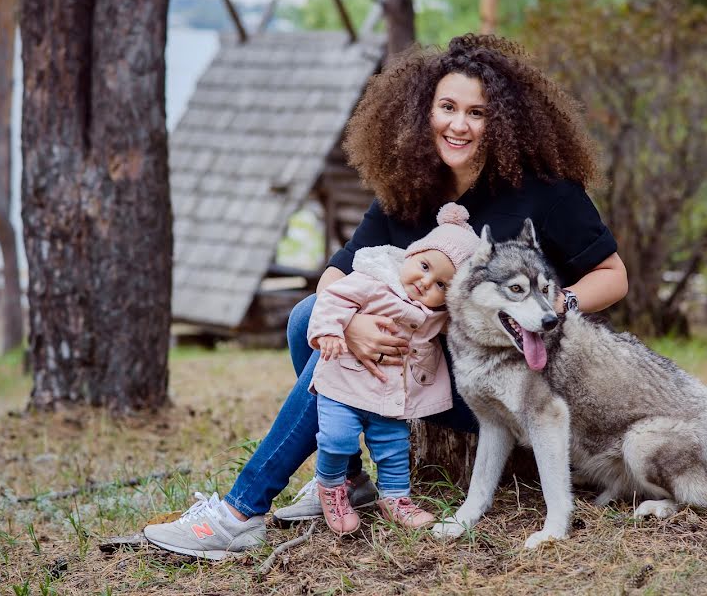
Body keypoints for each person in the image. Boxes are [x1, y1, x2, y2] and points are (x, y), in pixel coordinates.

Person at [142, 34, 628, 560]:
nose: (458, 125)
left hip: (499, 384)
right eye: (446, 108)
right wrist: (350, 327)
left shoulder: (546, 191)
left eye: (477, 113)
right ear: (425, 111)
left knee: (340, 331)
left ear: (504, 122)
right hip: (415, 369)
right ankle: (345, 477)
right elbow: (336, 275)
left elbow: (612, 274)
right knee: (308, 316)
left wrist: (555, 309)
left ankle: (240, 512)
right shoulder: (409, 185)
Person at [310, 203, 481, 535]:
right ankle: (331, 487)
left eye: (443, 285)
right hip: (345, 385)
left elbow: (464, 327)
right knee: (337, 439)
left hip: (394, 397)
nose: (426, 282)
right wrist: (331, 331)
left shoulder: (437, 316)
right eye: (425, 266)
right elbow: (332, 299)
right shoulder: (373, 281)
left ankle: (395, 499)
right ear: (411, 255)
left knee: (394, 448)